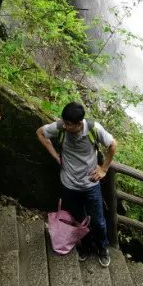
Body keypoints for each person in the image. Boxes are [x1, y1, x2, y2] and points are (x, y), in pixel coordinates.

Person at [37, 101, 116, 267]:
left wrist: (104, 169)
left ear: (79, 123)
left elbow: (112, 144)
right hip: (69, 185)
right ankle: (85, 246)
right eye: (64, 122)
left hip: (91, 184)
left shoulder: (94, 129)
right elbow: (40, 133)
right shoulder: (60, 128)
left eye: (68, 124)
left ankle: (102, 248)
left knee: (99, 221)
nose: (64, 127)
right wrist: (55, 155)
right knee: (78, 219)